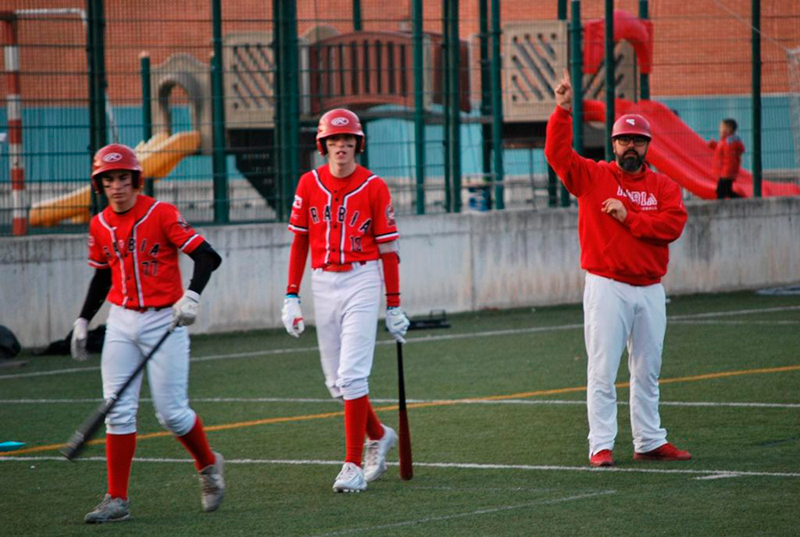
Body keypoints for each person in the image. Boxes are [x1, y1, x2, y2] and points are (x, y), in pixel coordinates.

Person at [70, 143, 224, 522]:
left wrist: (191, 295)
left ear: (137, 180)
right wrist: (83, 319)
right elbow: (103, 274)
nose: (117, 186)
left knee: (171, 414)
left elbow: (208, 256)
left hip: (164, 320)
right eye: (109, 179)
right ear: (100, 184)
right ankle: (116, 499)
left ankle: (208, 466)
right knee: (118, 411)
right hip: (121, 321)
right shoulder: (100, 224)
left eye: (123, 178)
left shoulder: (161, 213)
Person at [545, 71, 691, 467]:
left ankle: (648, 440)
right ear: (613, 144)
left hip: (650, 288)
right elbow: (558, 156)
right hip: (607, 285)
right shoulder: (594, 175)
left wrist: (629, 217)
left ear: (647, 146)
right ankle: (601, 445)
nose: (631, 146)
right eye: (624, 140)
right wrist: (562, 111)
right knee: (603, 369)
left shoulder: (664, 186)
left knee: (648, 370)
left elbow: (671, 226)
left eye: (638, 141)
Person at [281, 108, 411, 492]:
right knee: (336, 384)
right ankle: (379, 434)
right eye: (334, 140)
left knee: (353, 375)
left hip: (361, 279)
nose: (341, 146)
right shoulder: (308, 183)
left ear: (358, 144)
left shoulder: (374, 186)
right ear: (323, 145)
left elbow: (389, 250)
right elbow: (300, 240)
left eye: (348, 140)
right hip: (323, 282)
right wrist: (291, 295)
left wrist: (394, 304)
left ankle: (351, 465)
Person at [708, 118, 745, 199]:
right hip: (726, 171)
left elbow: (730, 156)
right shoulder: (725, 141)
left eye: (722, 128)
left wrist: (726, 172)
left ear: (728, 129)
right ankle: (740, 199)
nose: (720, 130)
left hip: (726, 172)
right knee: (727, 191)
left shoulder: (730, 142)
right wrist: (714, 145)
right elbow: (723, 150)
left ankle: (720, 206)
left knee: (720, 190)